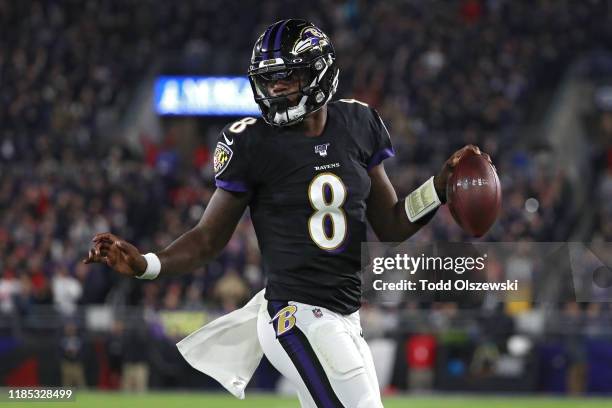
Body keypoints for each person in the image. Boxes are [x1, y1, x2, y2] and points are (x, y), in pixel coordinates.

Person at [84, 19, 490, 408]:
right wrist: (148, 264)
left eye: (288, 77)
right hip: (295, 315)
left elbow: (391, 224)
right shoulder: (253, 143)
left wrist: (437, 189)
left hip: (346, 316)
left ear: (319, 74)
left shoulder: (358, 123)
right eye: (269, 79)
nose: (276, 88)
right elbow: (208, 238)